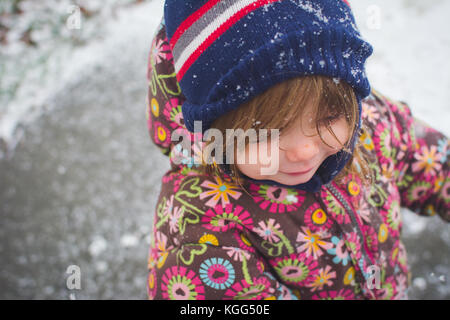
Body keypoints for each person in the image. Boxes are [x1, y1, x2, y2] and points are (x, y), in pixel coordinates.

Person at [145, 0, 449, 300]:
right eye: (265, 132)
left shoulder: (373, 124)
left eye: (328, 116)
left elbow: (433, 164)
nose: (303, 151)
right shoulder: (201, 233)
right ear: (214, 129)